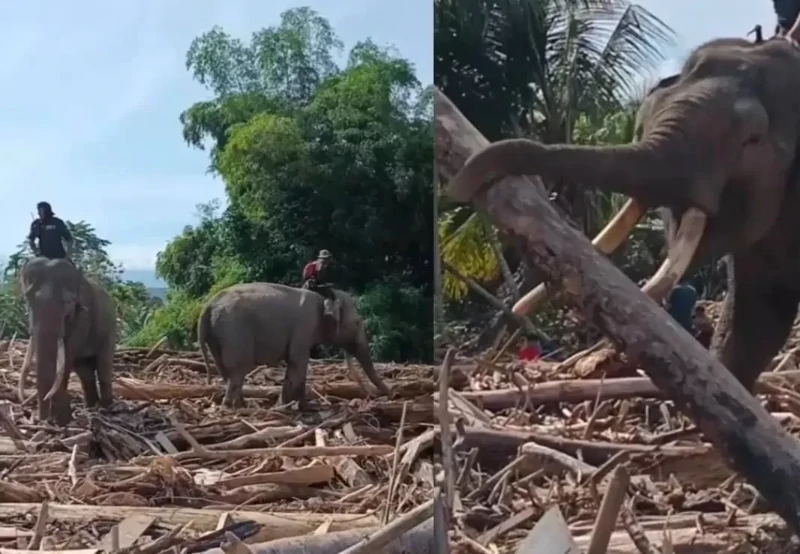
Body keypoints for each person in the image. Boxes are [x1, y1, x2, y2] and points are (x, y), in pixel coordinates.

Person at [302, 249, 340, 324]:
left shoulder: (315, 265)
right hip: (311, 285)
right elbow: (316, 279)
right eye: (328, 258)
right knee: (329, 295)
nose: (329, 260)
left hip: (312, 284)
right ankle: (328, 311)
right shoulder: (320, 265)